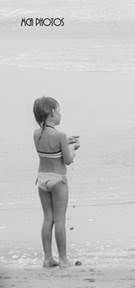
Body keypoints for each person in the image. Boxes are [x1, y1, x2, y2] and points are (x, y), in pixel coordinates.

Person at [33, 96, 80, 267]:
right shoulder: (60, 134)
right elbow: (67, 160)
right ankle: (63, 259)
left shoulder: (37, 133)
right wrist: (72, 148)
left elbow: (49, 148)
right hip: (58, 180)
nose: (60, 114)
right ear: (52, 113)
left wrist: (65, 143)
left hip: (42, 180)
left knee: (47, 219)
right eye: (58, 111)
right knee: (60, 220)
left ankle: (47, 258)